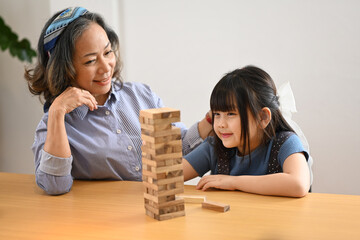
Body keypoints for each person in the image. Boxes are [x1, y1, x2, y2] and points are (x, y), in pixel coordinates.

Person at [24, 7, 212, 195]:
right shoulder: (56, 124)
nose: (106, 67)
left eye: (107, 52)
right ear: (64, 68)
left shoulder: (141, 94)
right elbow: (54, 186)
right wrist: (57, 112)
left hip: (158, 211)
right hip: (105, 218)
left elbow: (179, 148)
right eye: (90, 61)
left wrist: (212, 119)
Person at [183, 66, 312, 197]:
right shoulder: (213, 147)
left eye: (231, 114)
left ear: (263, 117)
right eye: (217, 114)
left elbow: (298, 184)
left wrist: (233, 182)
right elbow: (168, 176)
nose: (221, 124)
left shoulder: (285, 143)